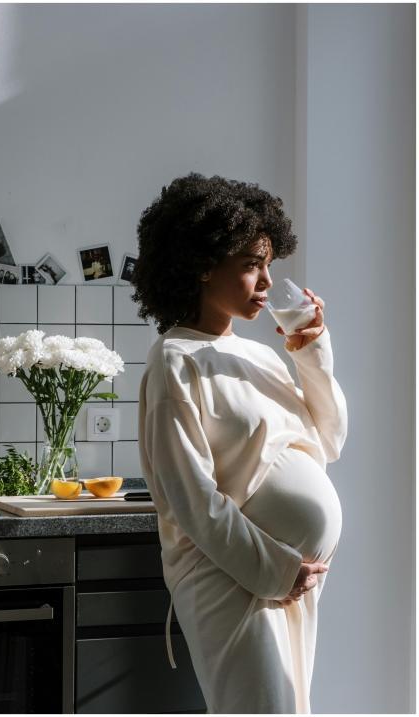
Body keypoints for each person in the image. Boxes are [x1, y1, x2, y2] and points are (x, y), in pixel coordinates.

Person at [131, 172, 348, 714]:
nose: (268, 282)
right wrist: (276, 569)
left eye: (269, 264)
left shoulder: (262, 355)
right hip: (234, 578)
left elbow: (328, 442)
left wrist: (310, 351)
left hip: (291, 580)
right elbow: (192, 498)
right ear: (204, 264)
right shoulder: (173, 360)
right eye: (252, 263)